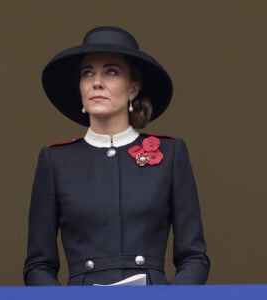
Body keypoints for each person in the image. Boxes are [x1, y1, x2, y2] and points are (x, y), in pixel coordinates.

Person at [23, 26, 210, 286]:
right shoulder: (55, 161)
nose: (96, 82)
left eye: (111, 71)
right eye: (87, 73)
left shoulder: (170, 154)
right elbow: (38, 265)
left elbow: (194, 257)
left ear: (133, 88)